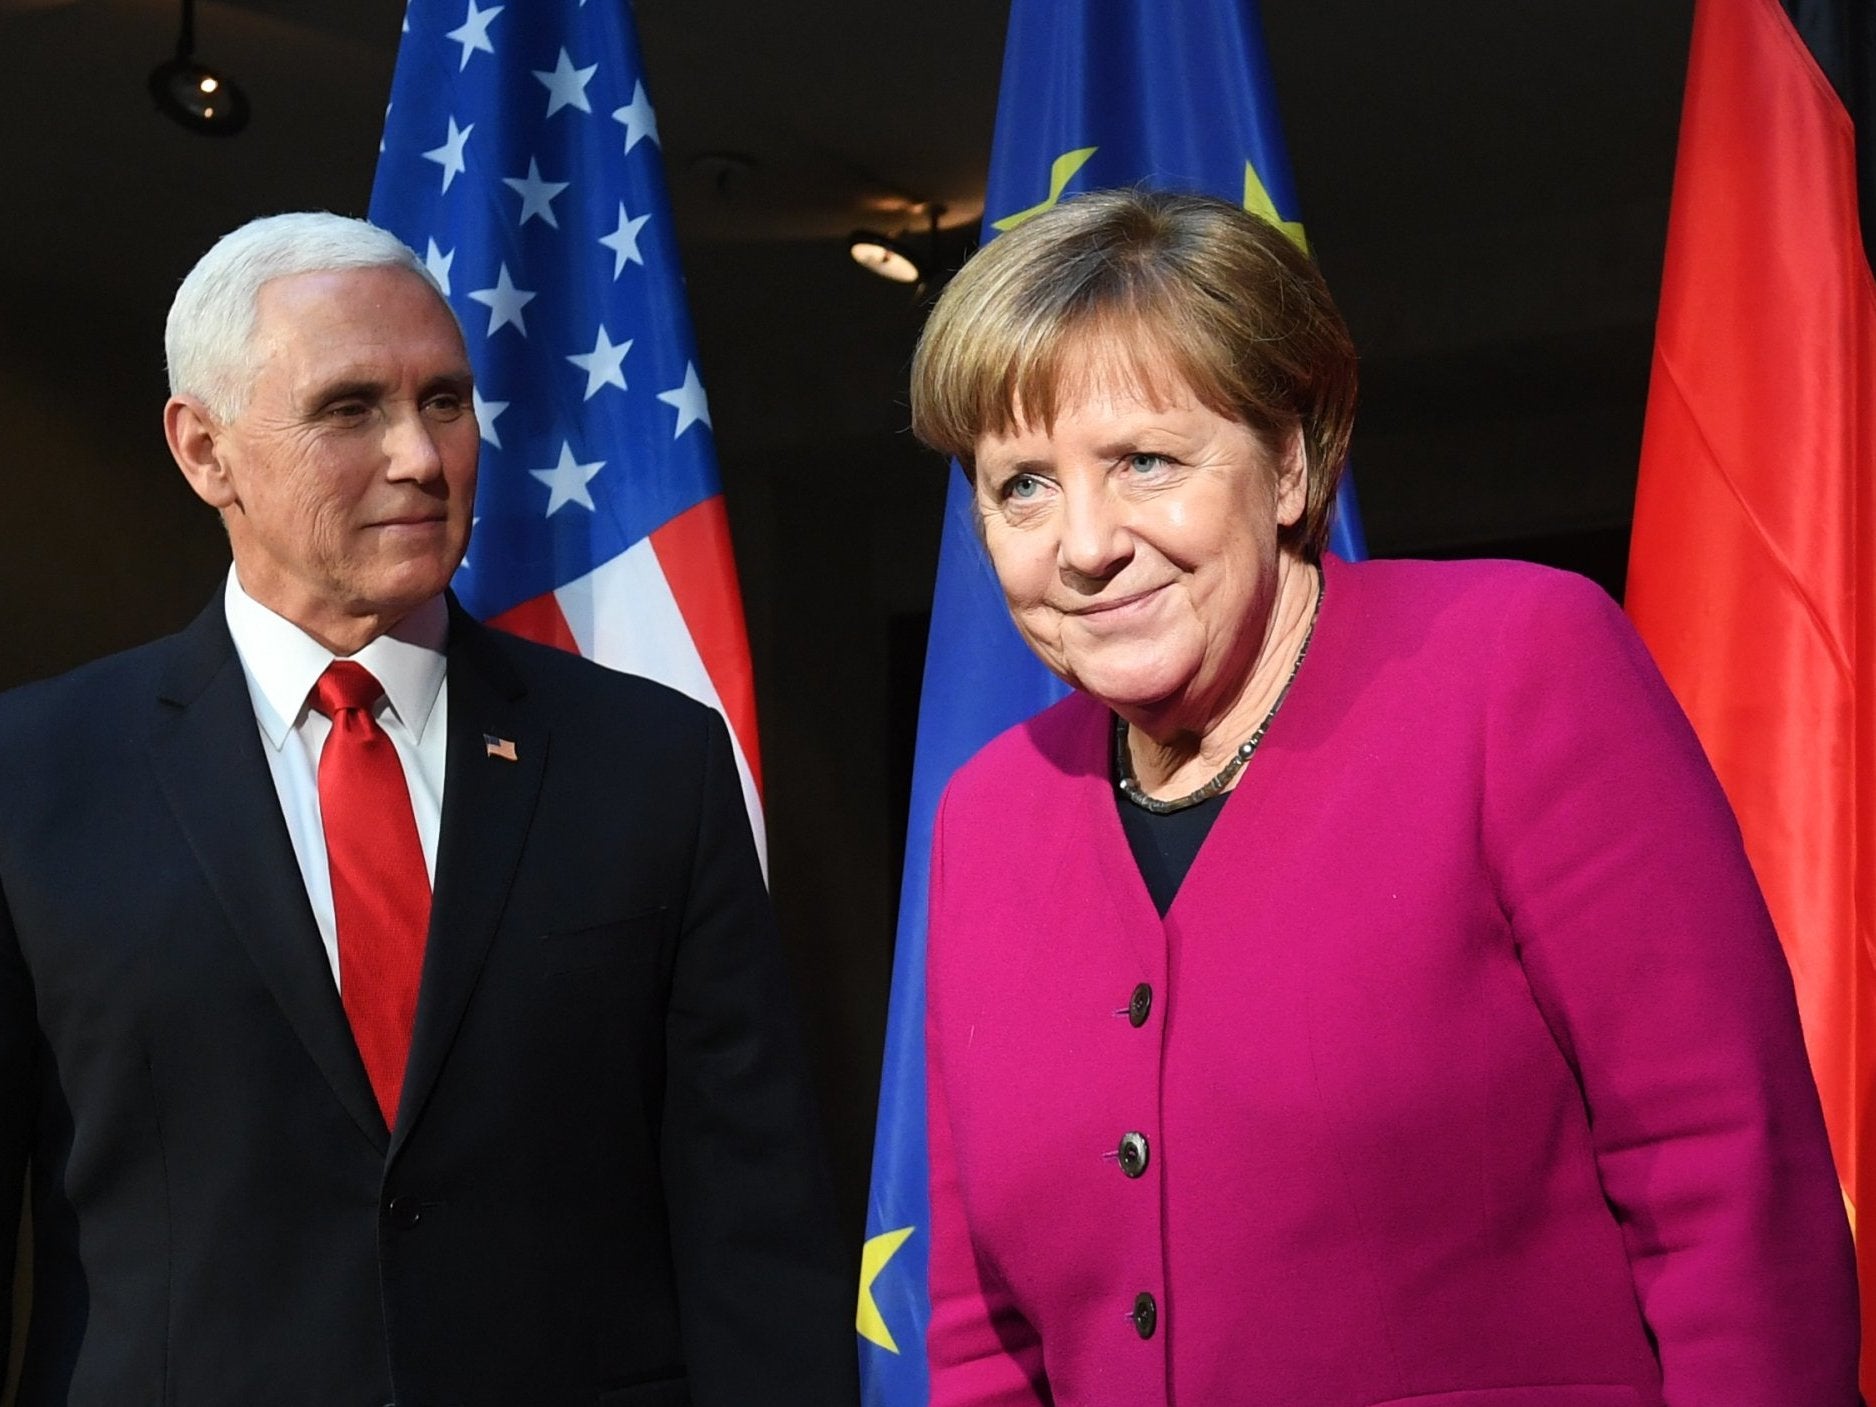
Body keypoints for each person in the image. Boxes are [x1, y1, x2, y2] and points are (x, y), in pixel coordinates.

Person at [907, 188, 1858, 1406]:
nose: (1084, 542)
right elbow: (982, 1332)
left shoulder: (1518, 665)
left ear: (1291, 463)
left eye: (1144, 461)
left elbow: (1726, 1180)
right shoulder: (988, 815)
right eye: (1021, 487)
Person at [0, 213, 857, 1406]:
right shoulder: (33, 778)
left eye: (445, 401)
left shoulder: (649, 763)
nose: (419, 455)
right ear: (206, 453)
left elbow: (752, 1220)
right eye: (350, 409)